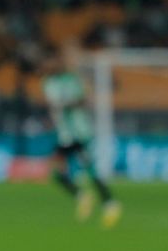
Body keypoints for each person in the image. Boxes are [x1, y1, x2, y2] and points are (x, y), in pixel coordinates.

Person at [43, 59, 121, 228]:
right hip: (64, 136)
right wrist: (53, 120)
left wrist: (67, 104)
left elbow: (83, 100)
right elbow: (53, 108)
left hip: (80, 134)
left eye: (49, 63)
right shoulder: (48, 84)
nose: (47, 66)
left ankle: (110, 204)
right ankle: (83, 196)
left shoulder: (71, 80)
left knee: (90, 172)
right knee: (55, 172)